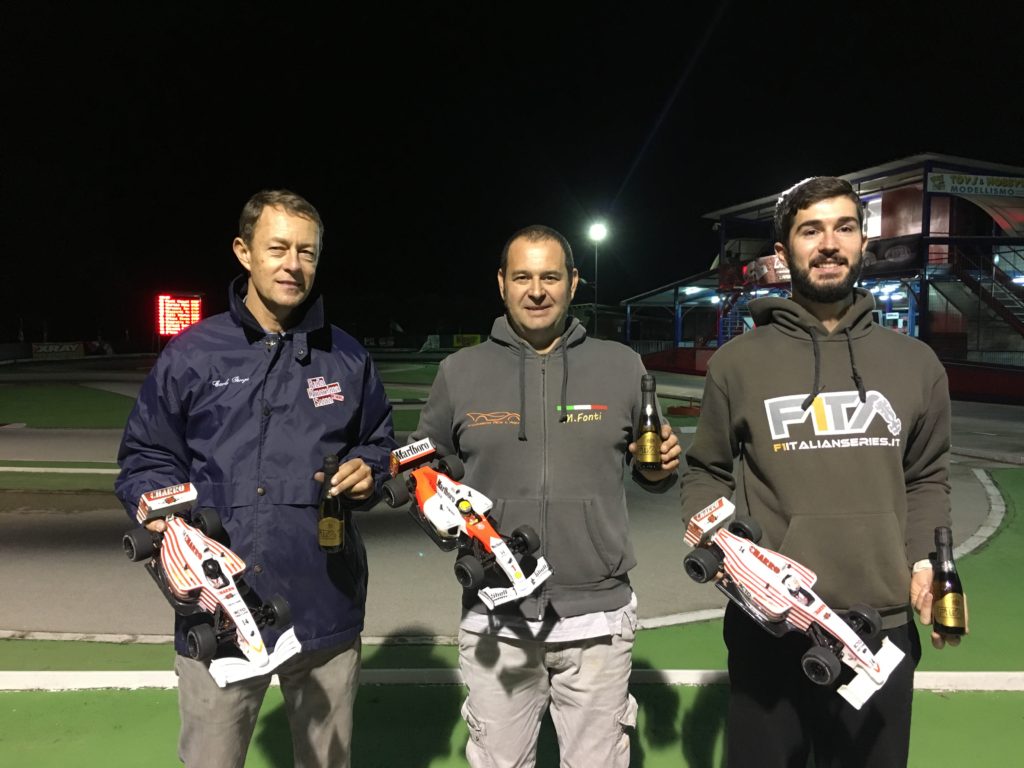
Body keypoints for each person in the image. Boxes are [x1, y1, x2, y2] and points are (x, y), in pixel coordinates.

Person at [680, 176, 958, 767]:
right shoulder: (738, 363)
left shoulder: (916, 363)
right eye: (811, 231)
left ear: (863, 244)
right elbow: (705, 471)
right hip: (770, 626)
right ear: (784, 252)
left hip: (879, 624)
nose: (829, 243)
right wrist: (722, 544)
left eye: (844, 228)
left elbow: (927, 477)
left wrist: (923, 562)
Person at [115, 189, 396, 768]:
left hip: (324, 606)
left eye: (307, 252)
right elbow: (146, 457)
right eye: (278, 248)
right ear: (244, 252)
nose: (294, 265)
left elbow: (379, 444)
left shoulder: (348, 358)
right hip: (216, 613)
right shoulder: (192, 354)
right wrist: (165, 520)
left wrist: (369, 470)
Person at [410, 224, 681, 767]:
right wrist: (434, 510)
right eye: (523, 277)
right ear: (502, 283)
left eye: (550, 277)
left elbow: (652, 471)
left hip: (598, 618)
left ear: (573, 283)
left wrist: (661, 467)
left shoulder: (621, 365)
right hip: (496, 617)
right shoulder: (458, 371)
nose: (537, 291)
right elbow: (423, 468)